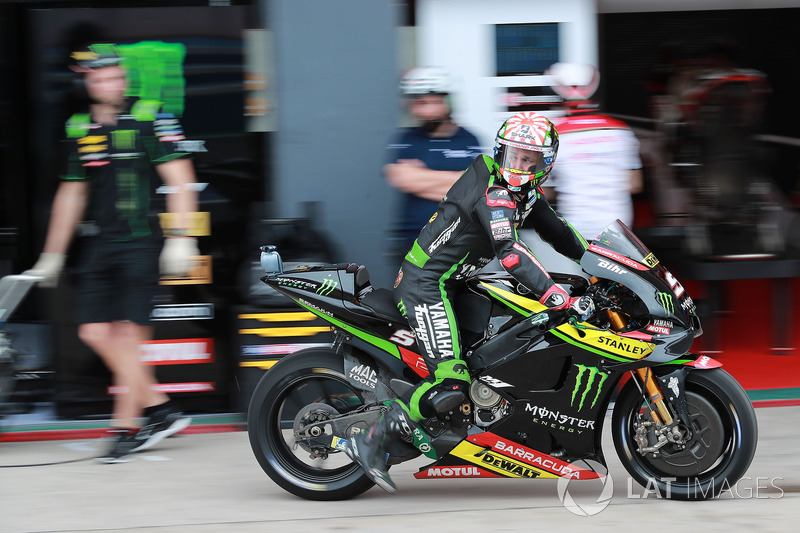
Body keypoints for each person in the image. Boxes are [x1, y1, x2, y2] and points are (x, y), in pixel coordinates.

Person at [346, 111, 592, 493]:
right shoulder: (495, 194)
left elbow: (561, 235)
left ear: (547, 164)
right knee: (451, 380)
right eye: (514, 156)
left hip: (458, 282)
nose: (521, 165)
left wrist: (599, 264)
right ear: (500, 152)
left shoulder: (525, 194)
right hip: (426, 285)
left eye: (530, 159)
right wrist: (552, 292)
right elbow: (510, 252)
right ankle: (373, 439)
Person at [24, 43, 198, 463]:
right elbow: (71, 193)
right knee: (92, 332)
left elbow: (180, 177)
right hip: (102, 244)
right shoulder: (80, 127)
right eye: (100, 78)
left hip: (142, 242)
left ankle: (127, 429)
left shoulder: (149, 116)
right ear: (88, 82)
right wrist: (52, 254)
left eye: (116, 76)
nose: (110, 83)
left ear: (124, 78)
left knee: (127, 337)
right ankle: (160, 407)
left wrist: (181, 237)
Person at [384, 67, 483, 265]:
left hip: (459, 243)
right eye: (418, 103)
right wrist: (457, 180)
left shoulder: (469, 140)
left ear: (446, 102)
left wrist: (422, 177)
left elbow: (476, 188)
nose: (423, 110)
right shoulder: (406, 139)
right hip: (411, 243)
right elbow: (402, 178)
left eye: (430, 102)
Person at [542, 62, 643, 240]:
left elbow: (545, 191)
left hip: (576, 227)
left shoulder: (553, 134)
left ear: (558, 97)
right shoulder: (621, 131)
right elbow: (635, 185)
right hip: (619, 225)